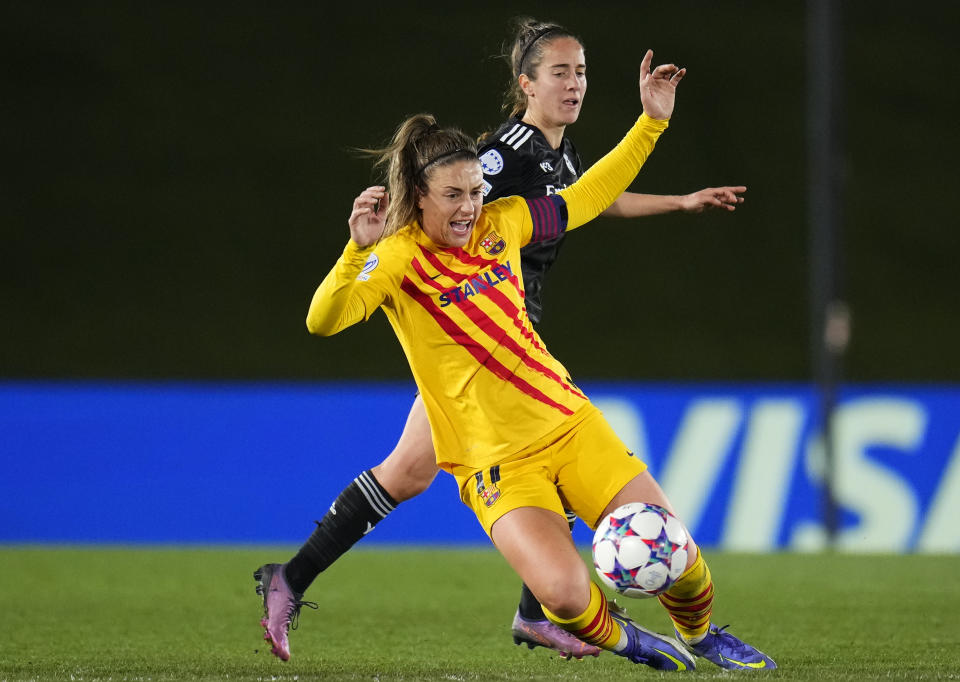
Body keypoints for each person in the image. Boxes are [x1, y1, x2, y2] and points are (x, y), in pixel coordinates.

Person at [257, 48, 776, 673]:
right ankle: (622, 638)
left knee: (682, 557)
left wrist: (651, 123)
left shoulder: (505, 220)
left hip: (569, 421)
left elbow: (587, 198)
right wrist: (353, 252)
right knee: (559, 589)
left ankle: (699, 634)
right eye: (454, 194)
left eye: (476, 191)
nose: (470, 206)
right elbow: (324, 319)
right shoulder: (396, 257)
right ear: (418, 197)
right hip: (495, 463)